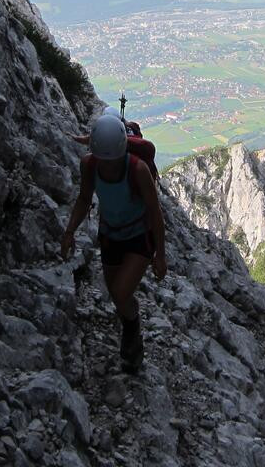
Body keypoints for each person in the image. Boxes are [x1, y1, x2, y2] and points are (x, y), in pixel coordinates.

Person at [61, 114, 167, 371]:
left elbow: (156, 213)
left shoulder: (138, 170)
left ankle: (133, 338)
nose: (107, 167)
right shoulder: (89, 165)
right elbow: (85, 198)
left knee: (120, 293)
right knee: (116, 295)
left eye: (112, 161)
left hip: (139, 238)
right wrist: (69, 231)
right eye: (103, 161)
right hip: (110, 235)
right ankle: (130, 324)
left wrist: (160, 255)